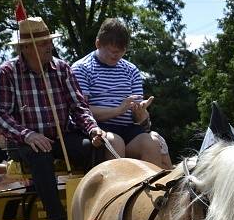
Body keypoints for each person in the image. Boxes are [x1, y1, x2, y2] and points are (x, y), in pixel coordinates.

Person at [0, 16, 105, 220]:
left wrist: (93, 129)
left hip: (61, 135)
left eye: (49, 41)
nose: (49, 46)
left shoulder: (62, 68)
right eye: (43, 43)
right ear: (26, 47)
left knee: (95, 148)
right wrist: (27, 135)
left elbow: (79, 107)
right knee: (41, 153)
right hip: (25, 142)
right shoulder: (7, 73)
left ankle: (93, 209)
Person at [71, 18, 172, 169]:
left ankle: (154, 190)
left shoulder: (131, 70)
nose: (117, 55)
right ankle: (117, 191)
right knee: (115, 142)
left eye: (122, 51)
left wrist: (140, 111)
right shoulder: (81, 68)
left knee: (151, 144)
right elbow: (81, 110)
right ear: (98, 44)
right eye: (112, 51)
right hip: (97, 129)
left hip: (128, 129)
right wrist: (119, 109)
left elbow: (139, 120)